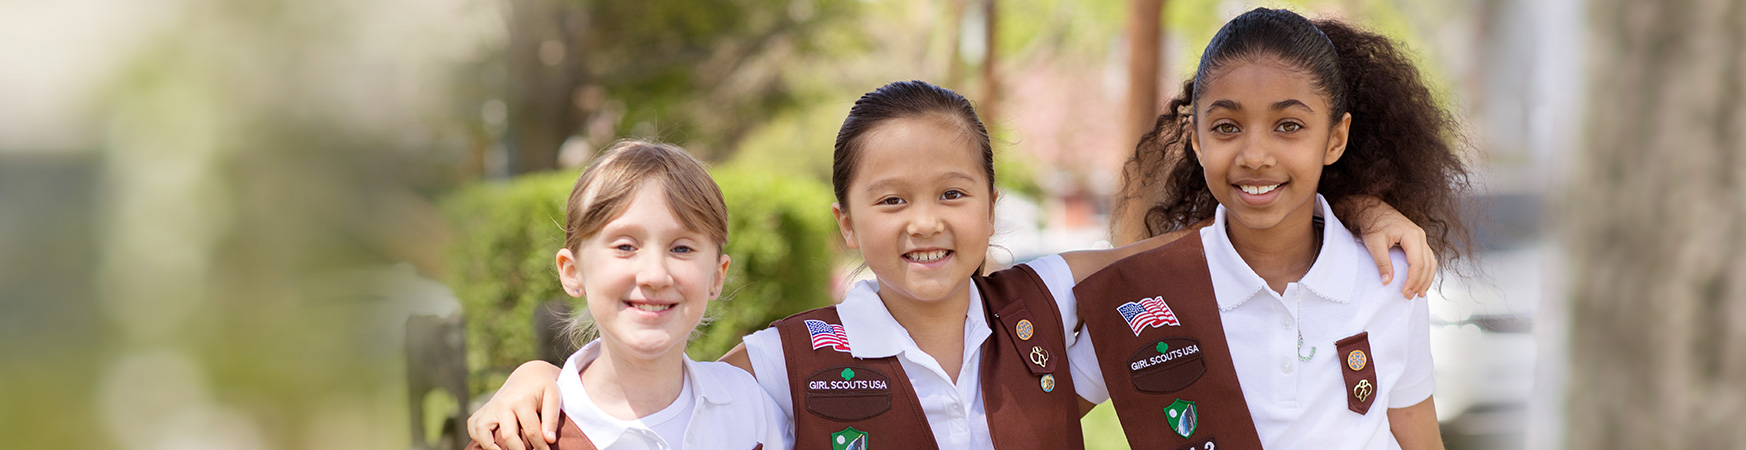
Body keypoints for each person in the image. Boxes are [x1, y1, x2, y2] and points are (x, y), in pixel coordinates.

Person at [468, 81, 1440, 450]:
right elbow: (653, 388)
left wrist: (1352, 203)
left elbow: (1224, 240)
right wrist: (543, 373)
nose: (923, 224)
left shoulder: (1051, 305)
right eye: (889, 201)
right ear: (847, 222)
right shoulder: (787, 364)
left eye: (952, 193)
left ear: (989, 203)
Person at [1065, 8, 1470, 450]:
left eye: (1289, 126)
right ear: (1198, 141)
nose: (1255, 154)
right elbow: (1028, 421)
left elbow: (1421, 440)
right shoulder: (1149, 298)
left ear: (1335, 139)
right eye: (1226, 127)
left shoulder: (1389, 276)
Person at [464, 140, 788, 450]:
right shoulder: (519, 434)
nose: (654, 275)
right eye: (625, 247)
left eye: (682, 248)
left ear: (717, 277)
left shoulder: (750, 408)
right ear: (572, 272)